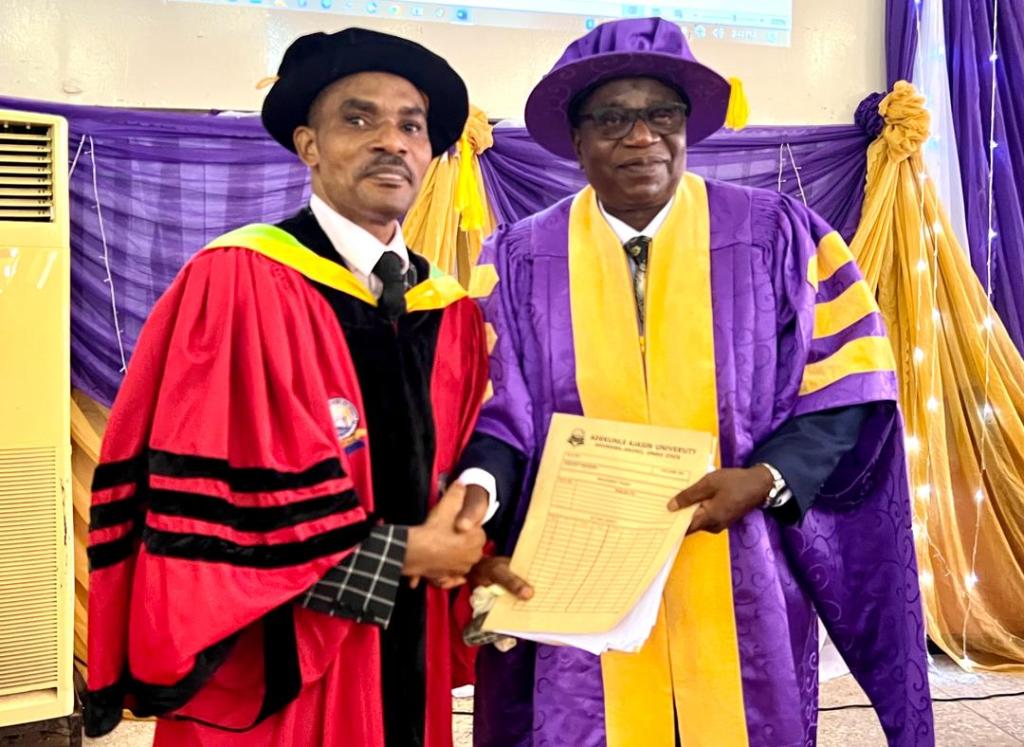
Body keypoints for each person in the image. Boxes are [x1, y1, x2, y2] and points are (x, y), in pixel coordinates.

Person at [463, 18, 934, 747]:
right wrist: (478, 505)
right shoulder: (517, 258)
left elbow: (847, 381)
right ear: (577, 139)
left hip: (736, 574)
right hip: (576, 584)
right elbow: (495, 411)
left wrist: (767, 478)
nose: (642, 137)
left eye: (662, 114)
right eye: (612, 118)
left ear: (687, 127)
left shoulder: (780, 235)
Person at [84, 28, 497, 747]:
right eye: (358, 119)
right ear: (309, 145)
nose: (391, 142)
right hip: (282, 662)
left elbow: (459, 468)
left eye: (411, 126)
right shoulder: (238, 282)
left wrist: (475, 544)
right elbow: (221, 504)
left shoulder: (449, 310)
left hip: (410, 647)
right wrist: (402, 556)